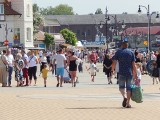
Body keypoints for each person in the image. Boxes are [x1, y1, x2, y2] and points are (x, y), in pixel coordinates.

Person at [112, 39, 137, 108]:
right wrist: (135, 73)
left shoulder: (119, 52)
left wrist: (112, 70)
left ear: (122, 45)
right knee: (129, 88)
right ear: (127, 45)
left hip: (121, 72)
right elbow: (133, 64)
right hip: (129, 73)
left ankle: (124, 96)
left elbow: (114, 62)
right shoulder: (131, 52)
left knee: (121, 87)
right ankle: (128, 103)